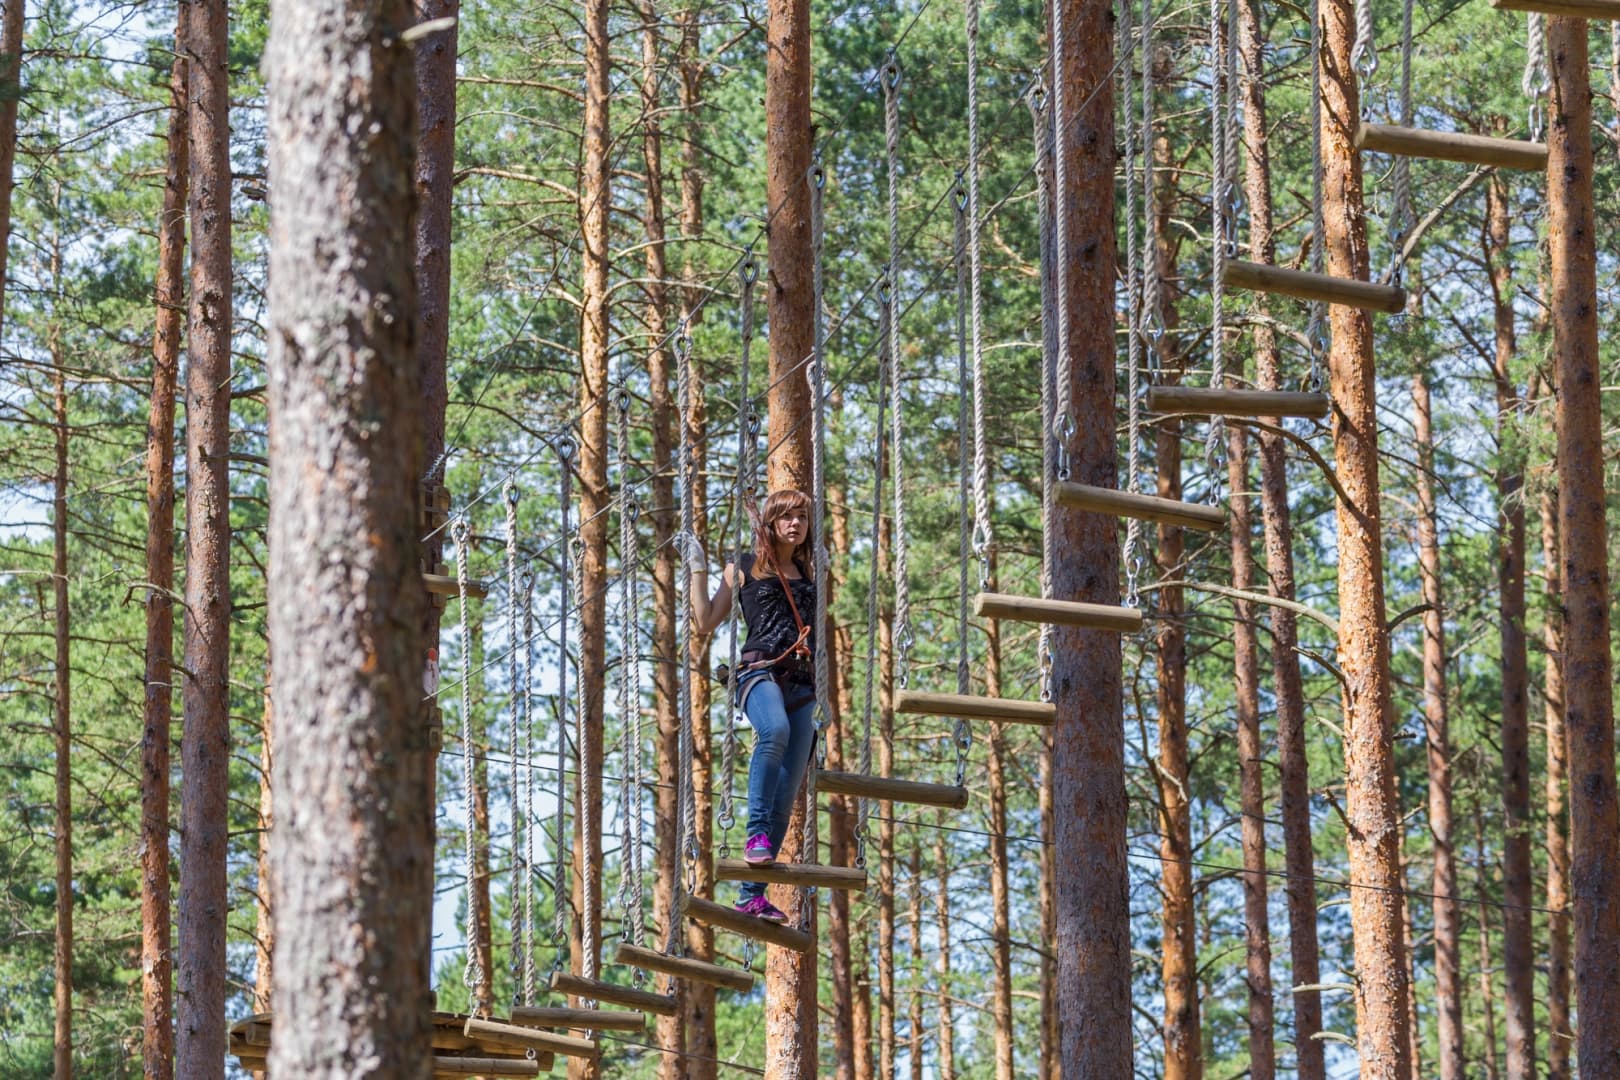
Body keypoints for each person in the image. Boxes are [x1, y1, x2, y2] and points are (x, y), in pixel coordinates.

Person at [689, 489, 818, 924]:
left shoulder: (809, 569)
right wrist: (697, 569)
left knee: (788, 791)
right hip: (759, 672)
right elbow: (706, 621)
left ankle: (752, 895)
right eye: (786, 517)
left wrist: (827, 700)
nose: (795, 524)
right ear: (771, 522)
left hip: (803, 682)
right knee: (774, 731)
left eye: (801, 516)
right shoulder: (744, 567)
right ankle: (755, 834)